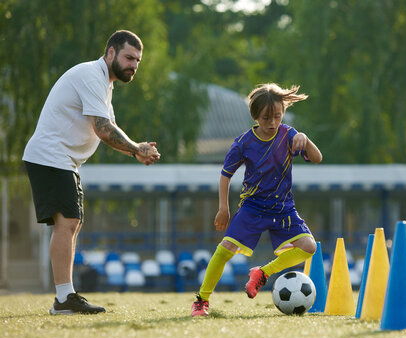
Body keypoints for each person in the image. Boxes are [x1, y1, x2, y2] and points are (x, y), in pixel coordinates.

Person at [22, 30, 160, 315]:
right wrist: (137, 148)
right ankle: (63, 298)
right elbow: (103, 129)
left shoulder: (104, 85)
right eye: (128, 57)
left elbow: (109, 132)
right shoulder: (90, 75)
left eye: (137, 60)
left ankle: (65, 296)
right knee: (68, 221)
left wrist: (136, 150)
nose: (133, 65)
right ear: (110, 52)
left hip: (63, 160)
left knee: (72, 222)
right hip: (51, 156)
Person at [191, 83, 322, 316]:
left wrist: (305, 138)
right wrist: (224, 208)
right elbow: (225, 175)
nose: (272, 123)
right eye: (266, 118)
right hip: (252, 208)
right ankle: (202, 300)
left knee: (309, 247)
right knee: (225, 249)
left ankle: (262, 273)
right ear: (255, 116)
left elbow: (317, 158)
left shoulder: (289, 135)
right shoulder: (243, 142)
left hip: (283, 210)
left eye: (277, 117)